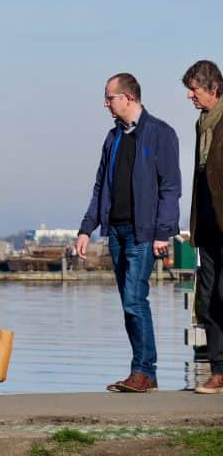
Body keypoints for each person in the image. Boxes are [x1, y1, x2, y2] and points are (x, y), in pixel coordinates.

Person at [75, 73, 181, 393]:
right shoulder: (113, 138)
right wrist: (86, 229)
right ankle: (144, 371)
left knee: (135, 299)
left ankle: (144, 371)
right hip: (117, 232)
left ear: (129, 98)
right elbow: (100, 187)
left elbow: (170, 187)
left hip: (144, 232)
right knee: (128, 302)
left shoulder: (161, 134)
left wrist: (163, 231)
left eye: (110, 97)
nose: (106, 103)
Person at [182, 60, 223, 394]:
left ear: (214, 89)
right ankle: (218, 372)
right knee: (207, 299)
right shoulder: (201, 125)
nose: (189, 96)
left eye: (194, 89)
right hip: (207, 225)